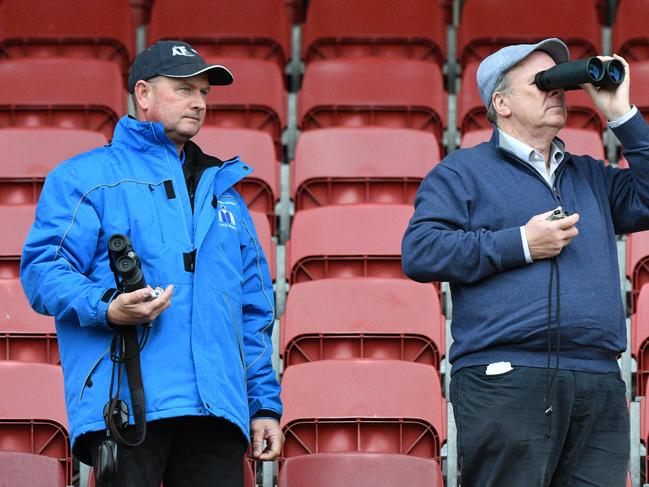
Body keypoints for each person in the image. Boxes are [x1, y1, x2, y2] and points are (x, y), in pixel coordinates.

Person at [20, 40, 283, 487]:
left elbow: (253, 313)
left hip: (217, 411)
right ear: (143, 94)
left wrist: (262, 405)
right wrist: (107, 306)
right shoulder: (84, 177)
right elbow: (43, 269)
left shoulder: (228, 197)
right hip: (126, 406)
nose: (199, 103)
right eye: (184, 89)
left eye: (204, 93)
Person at [402, 37, 649, 486]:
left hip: (597, 379)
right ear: (502, 103)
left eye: (559, 82)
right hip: (505, 376)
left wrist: (622, 116)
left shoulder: (590, 173)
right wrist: (520, 243)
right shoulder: (461, 172)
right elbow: (421, 251)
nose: (556, 91)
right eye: (541, 83)